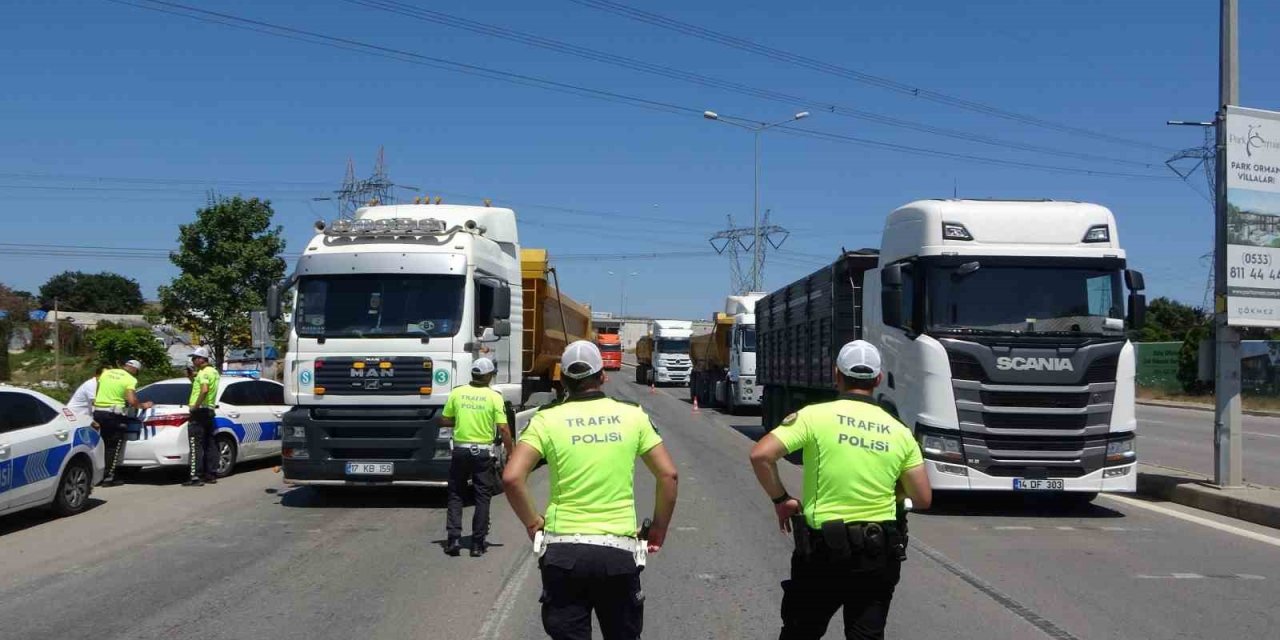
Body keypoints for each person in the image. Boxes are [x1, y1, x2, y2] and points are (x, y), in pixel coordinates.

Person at [748, 339, 932, 640]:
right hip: (877, 553)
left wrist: (781, 499)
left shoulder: (813, 417)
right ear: (878, 379)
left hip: (823, 553)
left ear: (836, 375)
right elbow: (923, 498)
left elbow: (761, 455)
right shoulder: (900, 432)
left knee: (801, 632)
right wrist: (891, 490)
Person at [503, 340, 679, 640]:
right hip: (617, 553)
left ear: (563, 379)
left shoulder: (545, 419)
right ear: (603, 376)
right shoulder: (632, 415)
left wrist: (533, 523)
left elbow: (511, 477)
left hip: (563, 552)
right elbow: (668, 475)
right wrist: (659, 527)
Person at [439, 357, 513, 557]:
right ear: (489, 376)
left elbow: (445, 420)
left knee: (456, 493)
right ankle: (477, 544)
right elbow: (504, 428)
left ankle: (453, 540)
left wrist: (462, 418)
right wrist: (511, 453)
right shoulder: (493, 396)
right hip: (483, 453)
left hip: (460, 451)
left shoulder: (458, 393)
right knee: (482, 496)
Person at [92, 359, 154, 486]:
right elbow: (132, 401)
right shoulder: (130, 379)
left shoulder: (106, 373)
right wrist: (143, 405)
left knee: (100, 444)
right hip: (113, 415)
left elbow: (97, 392)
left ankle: (95, 475)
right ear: (135, 370)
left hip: (98, 413)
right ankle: (108, 477)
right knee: (113, 447)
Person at [185, 347, 221, 487]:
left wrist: (195, 406)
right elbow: (201, 386)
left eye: (195, 358)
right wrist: (191, 377)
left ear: (202, 359)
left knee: (196, 444)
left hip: (199, 411)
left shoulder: (203, 373)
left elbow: (204, 390)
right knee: (209, 443)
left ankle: (195, 476)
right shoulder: (213, 372)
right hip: (209, 411)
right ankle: (210, 474)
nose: (193, 361)